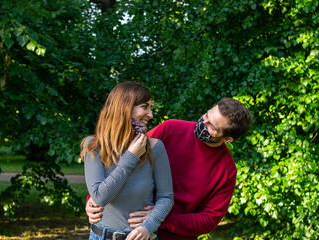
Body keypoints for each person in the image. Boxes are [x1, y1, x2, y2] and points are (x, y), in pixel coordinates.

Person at [86, 96, 252, 240]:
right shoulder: (170, 129)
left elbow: (209, 220)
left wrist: (160, 219)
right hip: (129, 229)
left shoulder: (227, 170)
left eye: (212, 127)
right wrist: (94, 198)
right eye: (207, 115)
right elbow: (127, 159)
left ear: (228, 139)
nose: (204, 122)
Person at [81, 81, 174, 240]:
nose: (150, 114)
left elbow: (166, 197)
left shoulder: (155, 147)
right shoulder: (93, 145)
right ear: (125, 107)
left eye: (150, 108)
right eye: (145, 107)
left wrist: (148, 226)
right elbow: (100, 197)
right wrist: (131, 157)